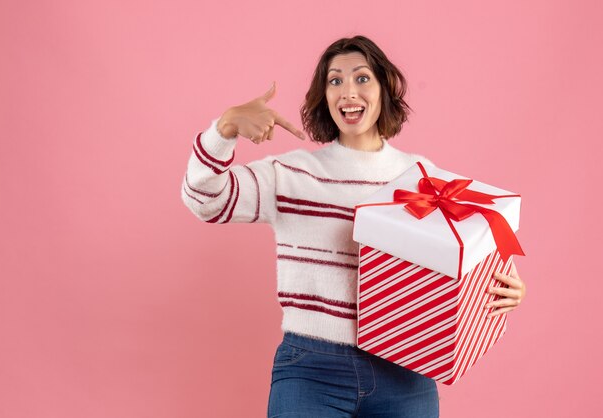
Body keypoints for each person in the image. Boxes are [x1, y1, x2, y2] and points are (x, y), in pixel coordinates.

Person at [181, 35, 526, 418]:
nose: (348, 91)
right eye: (335, 80)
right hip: (312, 370)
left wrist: (502, 287)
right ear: (323, 95)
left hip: (407, 370)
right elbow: (205, 199)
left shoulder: (423, 178)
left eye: (362, 78)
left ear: (384, 88)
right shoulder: (292, 174)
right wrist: (224, 128)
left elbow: (466, 254)